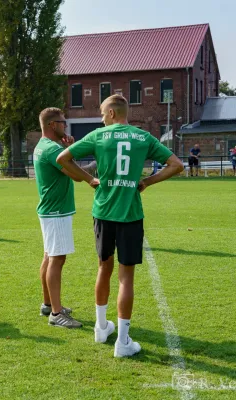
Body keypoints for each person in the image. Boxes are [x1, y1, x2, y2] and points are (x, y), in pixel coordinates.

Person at [57, 94, 183, 357]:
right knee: (126, 278)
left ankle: (101, 328)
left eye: (103, 113)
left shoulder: (98, 136)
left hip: (103, 212)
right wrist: (147, 182)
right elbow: (176, 165)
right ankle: (122, 342)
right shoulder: (143, 137)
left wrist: (90, 180)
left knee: (104, 268)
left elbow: (63, 159)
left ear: (112, 113)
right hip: (130, 213)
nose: (102, 118)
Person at [33, 107, 99, 329]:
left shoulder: (45, 146)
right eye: (62, 122)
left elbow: (66, 168)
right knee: (57, 259)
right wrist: (93, 176)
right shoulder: (52, 149)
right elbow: (75, 174)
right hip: (56, 211)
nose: (66, 126)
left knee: (49, 256)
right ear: (52, 125)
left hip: (50, 209)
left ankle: (48, 304)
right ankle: (56, 313)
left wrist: (68, 148)